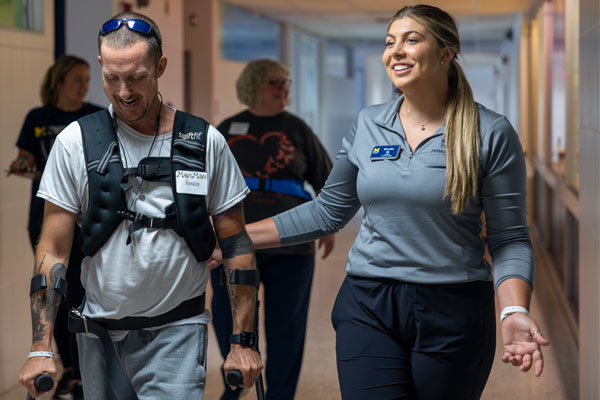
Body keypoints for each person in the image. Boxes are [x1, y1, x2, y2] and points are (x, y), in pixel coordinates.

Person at [243, 5, 550, 399]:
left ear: (445, 53)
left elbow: (509, 237)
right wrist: (237, 238)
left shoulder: (490, 132)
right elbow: (328, 210)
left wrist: (513, 310)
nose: (396, 51)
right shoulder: (369, 123)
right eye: (390, 42)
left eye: (411, 39)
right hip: (369, 302)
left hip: (452, 306)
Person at [18, 11, 262, 400]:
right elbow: (53, 251)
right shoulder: (74, 143)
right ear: (100, 64)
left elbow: (236, 245)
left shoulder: (203, 142)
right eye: (111, 78)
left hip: (179, 330)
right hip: (98, 333)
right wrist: (41, 346)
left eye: (136, 78)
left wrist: (243, 340)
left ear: (160, 66)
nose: (124, 92)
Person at [210, 59, 334, 400]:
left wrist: (329, 227)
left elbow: (328, 181)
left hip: (290, 246)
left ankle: (280, 395)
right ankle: (235, 381)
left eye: (285, 82)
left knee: (286, 330)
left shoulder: (297, 129)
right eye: (274, 83)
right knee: (227, 320)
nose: (283, 88)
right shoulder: (227, 128)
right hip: (233, 244)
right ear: (254, 86)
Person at [9, 54, 103, 399]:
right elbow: (26, 159)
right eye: (77, 79)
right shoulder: (38, 117)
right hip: (43, 218)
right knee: (54, 295)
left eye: (87, 79)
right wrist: (21, 164)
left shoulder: (93, 116)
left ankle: (84, 371)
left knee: (81, 294)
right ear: (60, 81)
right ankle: (68, 369)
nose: (84, 86)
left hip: (84, 219)